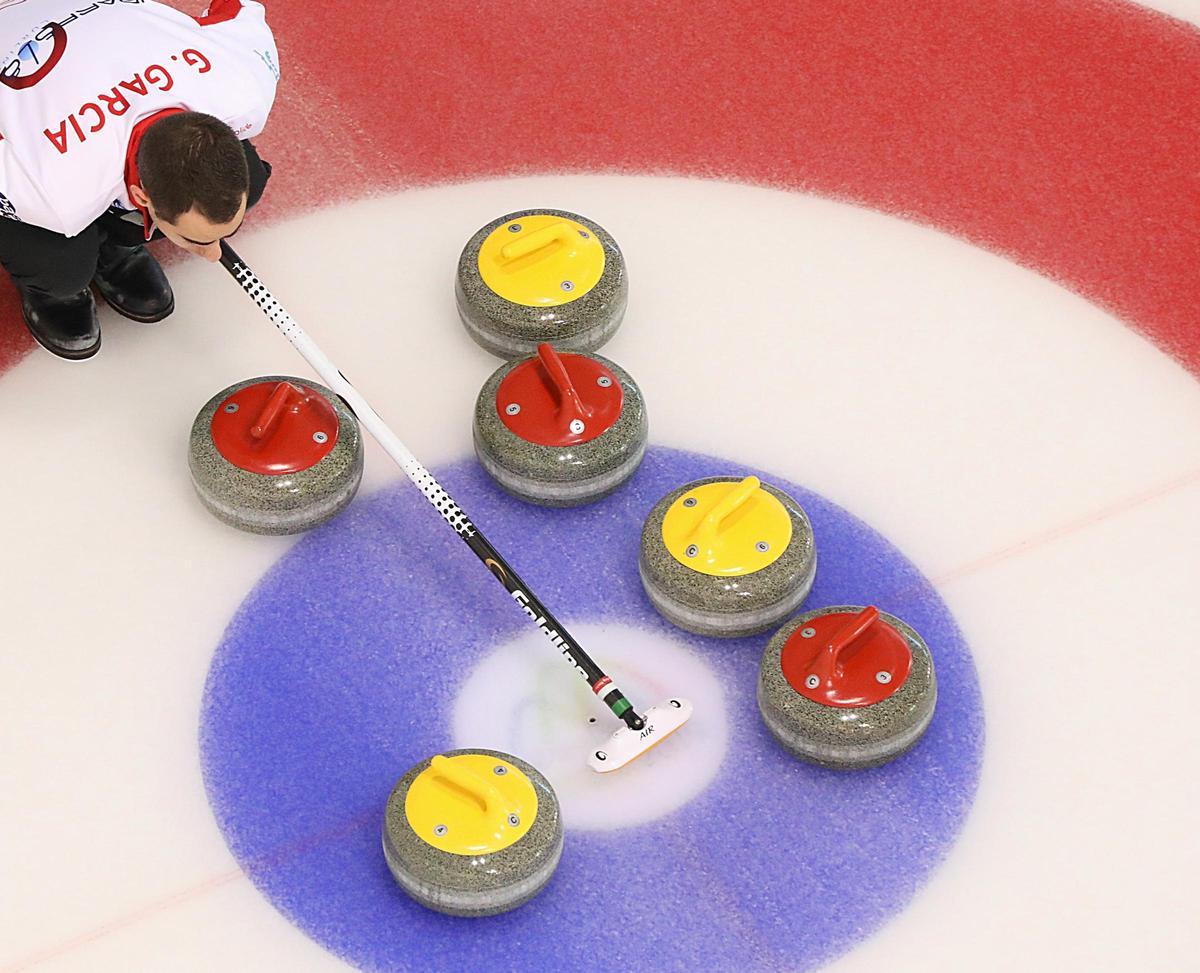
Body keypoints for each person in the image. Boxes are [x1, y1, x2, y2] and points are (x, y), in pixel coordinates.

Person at [0, 0, 279, 361]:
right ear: (139, 194)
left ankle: (118, 243)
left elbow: (239, 9)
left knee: (250, 179)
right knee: (62, 269)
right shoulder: (46, 188)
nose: (213, 255)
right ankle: (57, 289)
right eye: (195, 240)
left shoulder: (244, 81)